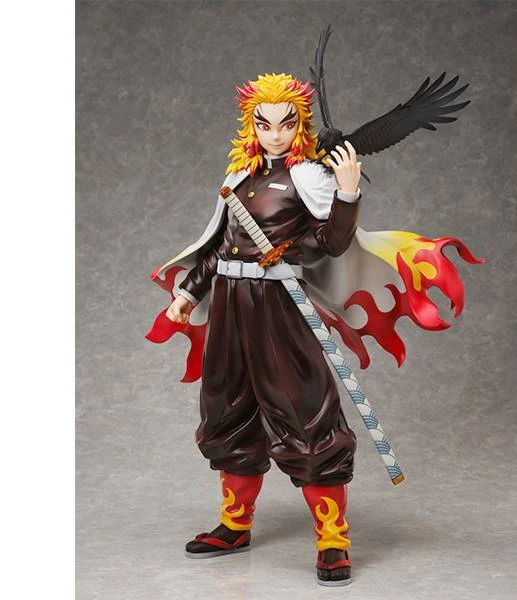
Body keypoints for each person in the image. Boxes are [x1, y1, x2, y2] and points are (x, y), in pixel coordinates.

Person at [147, 72, 482, 586]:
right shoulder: (239, 177)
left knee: (305, 411)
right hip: (231, 307)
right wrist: (189, 293)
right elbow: (219, 247)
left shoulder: (308, 176)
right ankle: (235, 523)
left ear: (299, 125)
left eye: (285, 124)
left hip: (279, 307)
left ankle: (332, 539)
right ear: (251, 126)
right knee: (226, 407)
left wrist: (347, 193)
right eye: (264, 124)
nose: (275, 134)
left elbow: (332, 244)